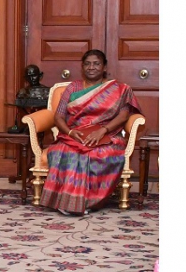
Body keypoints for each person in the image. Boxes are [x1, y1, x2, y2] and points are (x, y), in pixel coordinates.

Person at [40, 50, 143, 215]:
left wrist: (102, 131)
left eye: (96, 63)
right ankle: (68, 201)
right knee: (63, 150)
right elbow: (58, 116)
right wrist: (71, 132)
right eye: (87, 64)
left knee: (99, 153)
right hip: (75, 134)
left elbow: (124, 115)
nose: (91, 67)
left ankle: (87, 202)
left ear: (104, 67)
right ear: (82, 67)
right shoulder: (72, 87)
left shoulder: (120, 89)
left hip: (106, 136)